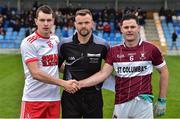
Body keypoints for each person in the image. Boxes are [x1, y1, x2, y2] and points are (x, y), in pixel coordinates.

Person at [79, 13, 169, 118]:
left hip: (144, 103)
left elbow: (164, 71)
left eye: (132, 27)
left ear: (138, 28)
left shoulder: (151, 49)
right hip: (121, 102)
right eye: (126, 27)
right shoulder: (114, 51)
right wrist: (81, 83)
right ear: (121, 29)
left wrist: (162, 99)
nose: (129, 30)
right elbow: (103, 74)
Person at [20, 5, 79, 118]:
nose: (46, 23)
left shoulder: (55, 39)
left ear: (53, 21)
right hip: (34, 100)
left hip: (53, 99)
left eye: (49, 20)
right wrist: (64, 83)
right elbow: (35, 73)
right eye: (42, 20)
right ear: (36, 21)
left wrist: (77, 72)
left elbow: (56, 65)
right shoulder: (28, 42)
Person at [58, 9, 110, 118]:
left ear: (92, 24)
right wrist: (67, 74)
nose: (83, 26)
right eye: (80, 23)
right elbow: (55, 67)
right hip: (70, 96)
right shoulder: (64, 44)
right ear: (75, 24)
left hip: (94, 96)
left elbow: (109, 68)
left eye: (86, 22)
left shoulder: (103, 45)